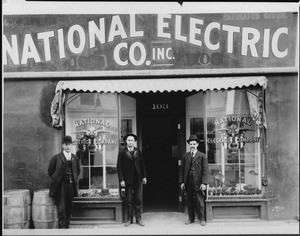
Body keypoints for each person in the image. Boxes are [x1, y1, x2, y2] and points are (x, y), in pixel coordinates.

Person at [48, 135, 81, 229]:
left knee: (69, 206)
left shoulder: (75, 158)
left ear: (72, 146)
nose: (67, 146)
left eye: (69, 144)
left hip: (71, 185)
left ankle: (67, 225)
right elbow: (50, 171)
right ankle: (62, 227)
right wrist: (57, 179)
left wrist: (72, 178)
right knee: (61, 207)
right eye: (66, 144)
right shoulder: (56, 158)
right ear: (62, 145)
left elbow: (77, 171)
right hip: (60, 186)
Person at [117, 133, 147, 227]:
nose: (130, 142)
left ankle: (138, 219)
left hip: (137, 179)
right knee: (128, 200)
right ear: (126, 141)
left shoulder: (138, 151)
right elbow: (119, 167)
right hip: (127, 180)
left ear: (134, 142)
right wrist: (121, 179)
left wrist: (144, 177)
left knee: (138, 199)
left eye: (132, 140)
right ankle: (129, 219)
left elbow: (142, 165)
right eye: (129, 140)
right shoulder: (122, 152)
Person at [180, 135, 209, 226]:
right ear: (189, 145)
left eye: (194, 144)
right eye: (191, 144)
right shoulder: (186, 156)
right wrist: (182, 182)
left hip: (198, 181)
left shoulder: (202, 156)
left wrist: (204, 183)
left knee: (200, 200)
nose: (192, 146)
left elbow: (205, 170)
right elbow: (182, 170)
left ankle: (202, 219)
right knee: (189, 200)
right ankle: (191, 218)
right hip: (188, 181)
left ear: (197, 145)